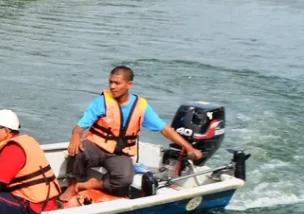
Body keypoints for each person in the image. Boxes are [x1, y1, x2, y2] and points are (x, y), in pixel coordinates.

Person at [61, 66, 203, 201]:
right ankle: (72, 186)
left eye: (117, 83)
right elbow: (80, 127)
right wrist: (76, 136)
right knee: (76, 150)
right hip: (96, 146)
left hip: (119, 152)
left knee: (124, 180)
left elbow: (165, 129)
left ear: (129, 85)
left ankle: (89, 184)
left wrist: (190, 148)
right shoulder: (101, 102)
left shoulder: (141, 106)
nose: (112, 87)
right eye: (111, 82)